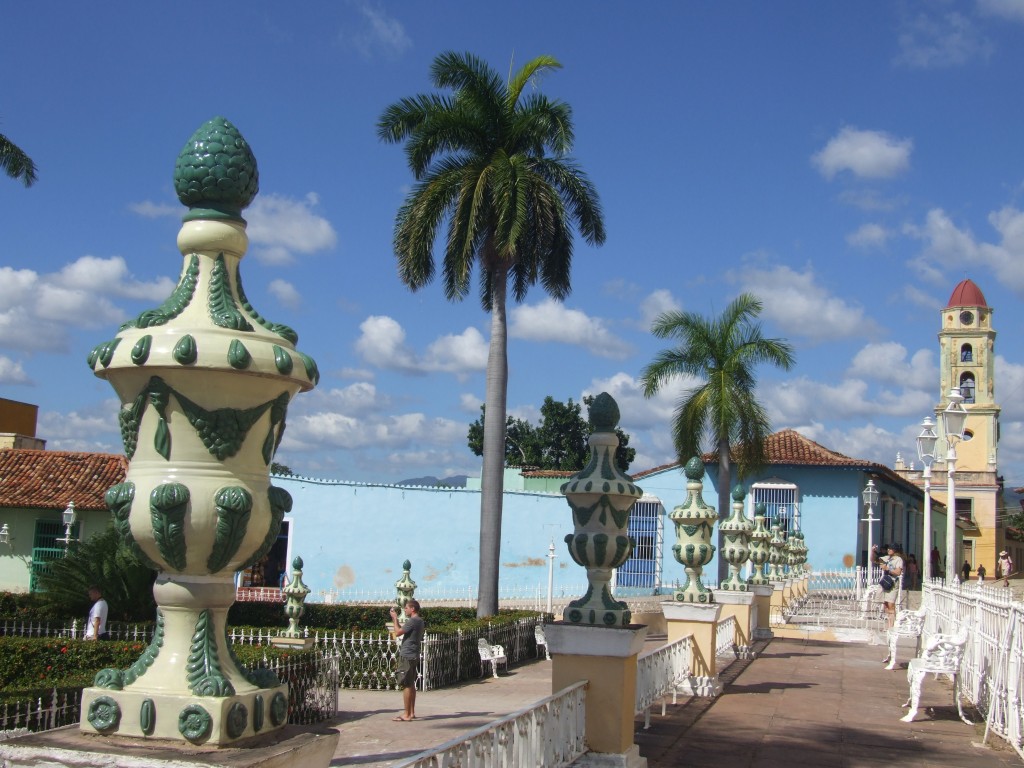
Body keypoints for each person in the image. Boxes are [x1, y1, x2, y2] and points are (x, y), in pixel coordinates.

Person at [389, 599, 424, 721]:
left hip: (407, 655)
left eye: (406, 608)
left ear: (412, 609)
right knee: (411, 684)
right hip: (413, 654)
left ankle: (407, 714)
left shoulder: (413, 621)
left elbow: (398, 632)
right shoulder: (419, 621)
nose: (405, 610)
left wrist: (394, 618)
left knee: (406, 684)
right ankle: (411, 712)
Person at [872, 543, 904, 630]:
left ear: (895, 550)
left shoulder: (898, 559)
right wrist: (872, 551)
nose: (889, 550)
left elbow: (898, 572)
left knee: (891, 604)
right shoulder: (887, 558)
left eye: (891, 549)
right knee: (885, 604)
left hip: (893, 583)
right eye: (888, 549)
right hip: (885, 582)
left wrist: (887, 569)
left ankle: (891, 627)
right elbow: (873, 560)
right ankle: (889, 624)